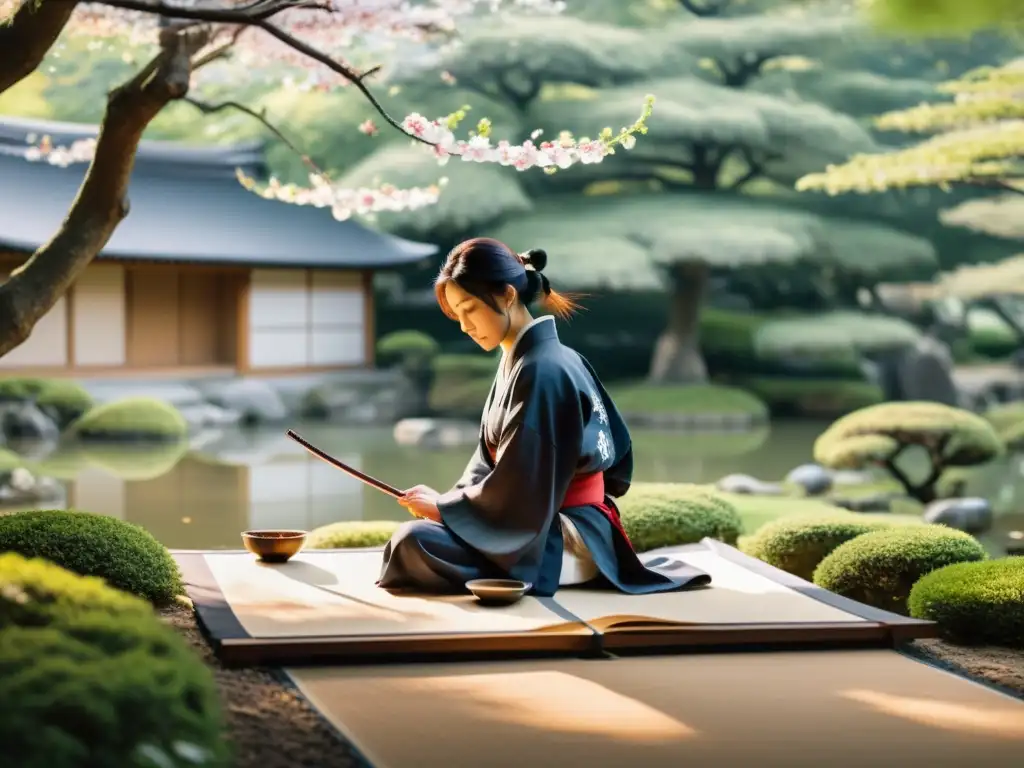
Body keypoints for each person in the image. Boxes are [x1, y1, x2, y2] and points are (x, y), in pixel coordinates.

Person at [377, 238, 711, 597]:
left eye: (470, 309)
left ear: (506, 295)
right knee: (413, 543)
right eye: (458, 314)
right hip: (537, 518)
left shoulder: (542, 369)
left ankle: (540, 570)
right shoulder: (532, 359)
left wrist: (446, 511)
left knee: (413, 543)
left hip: (557, 536)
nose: (464, 326)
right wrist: (450, 501)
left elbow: (524, 486)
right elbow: (490, 465)